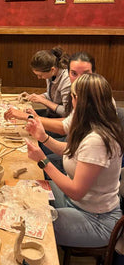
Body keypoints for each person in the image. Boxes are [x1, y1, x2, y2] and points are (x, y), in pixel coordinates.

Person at [25, 73, 124, 247]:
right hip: (77, 203)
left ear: (79, 100)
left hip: (97, 219)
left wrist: (43, 161)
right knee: (30, 187)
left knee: (30, 224)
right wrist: (43, 138)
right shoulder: (92, 122)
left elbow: (76, 191)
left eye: (72, 96)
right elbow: (71, 151)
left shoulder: (97, 140)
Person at [27, 47, 71, 118]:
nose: (39, 78)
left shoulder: (67, 79)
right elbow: (53, 95)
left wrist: (43, 101)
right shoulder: (51, 74)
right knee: (25, 114)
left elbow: (67, 113)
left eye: (40, 75)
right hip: (51, 113)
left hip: (60, 120)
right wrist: (38, 97)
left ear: (52, 69)